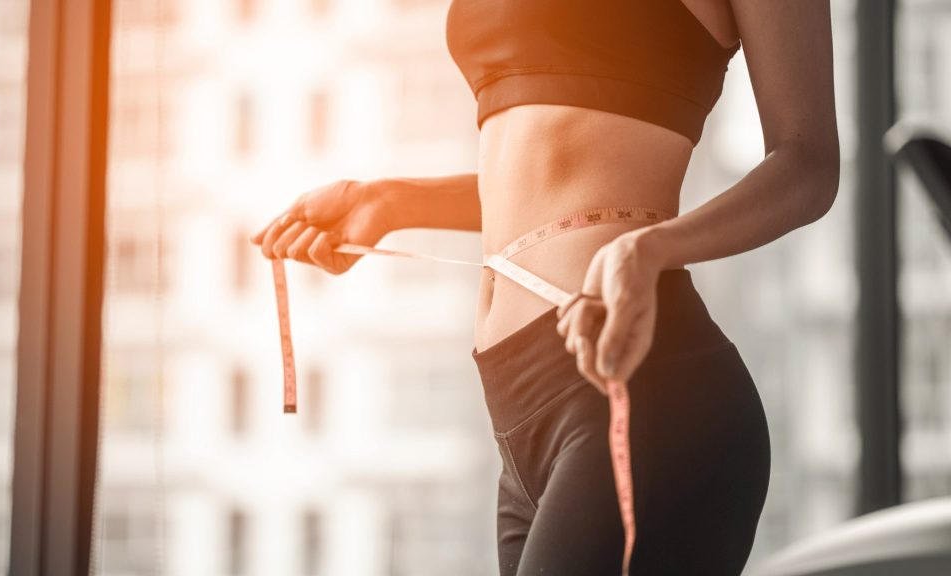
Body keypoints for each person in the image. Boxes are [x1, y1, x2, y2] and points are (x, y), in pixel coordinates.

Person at [252, 0, 839, 574]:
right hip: (517, 414)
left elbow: (809, 163)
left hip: (645, 392)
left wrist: (650, 246)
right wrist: (386, 200)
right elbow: (550, 165)